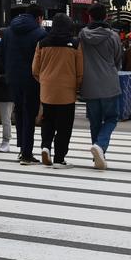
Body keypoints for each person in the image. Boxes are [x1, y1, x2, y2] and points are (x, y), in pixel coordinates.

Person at [32, 14, 82, 168]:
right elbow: (79, 71)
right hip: (67, 92)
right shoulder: (74, 44)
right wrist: (77, 86)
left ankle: (45, 147)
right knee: (64, 127)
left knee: (47, 121)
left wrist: (44, 82)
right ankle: (59, 158)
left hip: (47, 91)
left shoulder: (42, 43)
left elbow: (35, 69)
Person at [0, 3, 47, 165]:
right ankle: (27, 153)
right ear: (39, 18)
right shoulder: (40, 34)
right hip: (31, 79)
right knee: (30, 114)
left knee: (19, 112)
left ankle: (22, 148)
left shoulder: (8, 32)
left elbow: (2, 55)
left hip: (13, 78)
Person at [79, 3, 123, 170]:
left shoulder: (82, 35)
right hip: (110, 84)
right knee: (111, 118)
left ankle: (99, 155)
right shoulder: (113, 36)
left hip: (89, 85)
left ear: (90, 17)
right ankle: (100, 146)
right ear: (105, 16)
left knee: (94, 121)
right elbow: (118, 59)